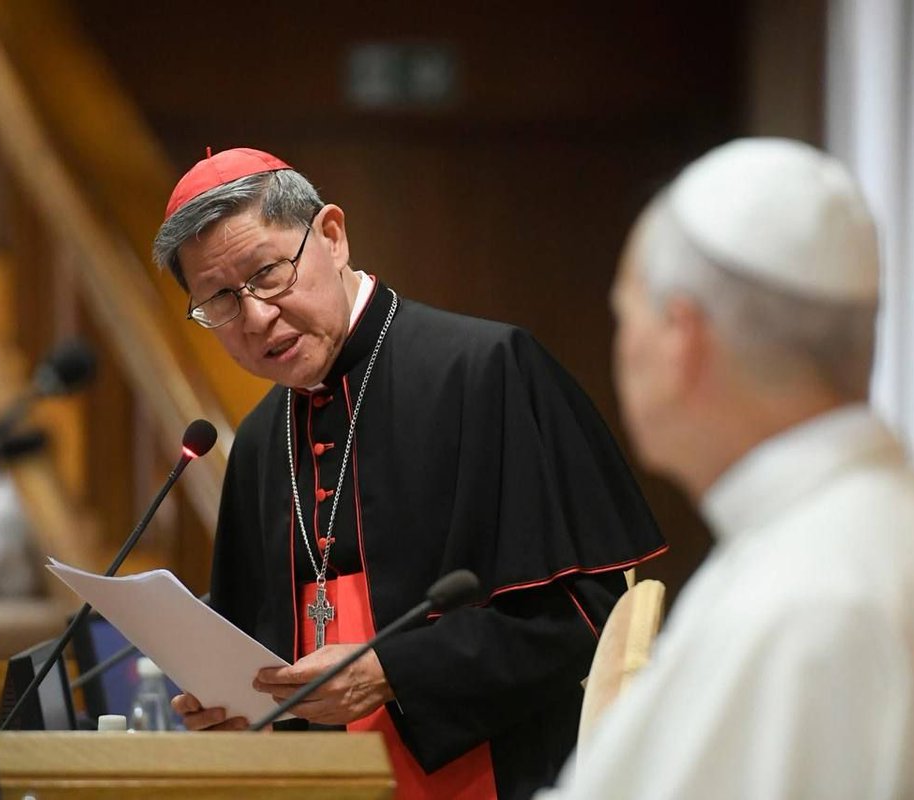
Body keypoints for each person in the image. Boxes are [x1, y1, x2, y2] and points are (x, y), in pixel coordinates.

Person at [152, 147, 666, 799]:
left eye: (268, 273)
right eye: (220, 300)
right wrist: (229, 709)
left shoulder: (488, 371)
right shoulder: (258, 441)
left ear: (332, 237)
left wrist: (394, 671)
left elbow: (588, 618)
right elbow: (255, 654)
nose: (256, 317)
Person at [541, 138, 914, 799]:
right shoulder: (873, 531)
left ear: (684, 339)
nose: (621, 344)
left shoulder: (804, 599)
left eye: (625, 313)